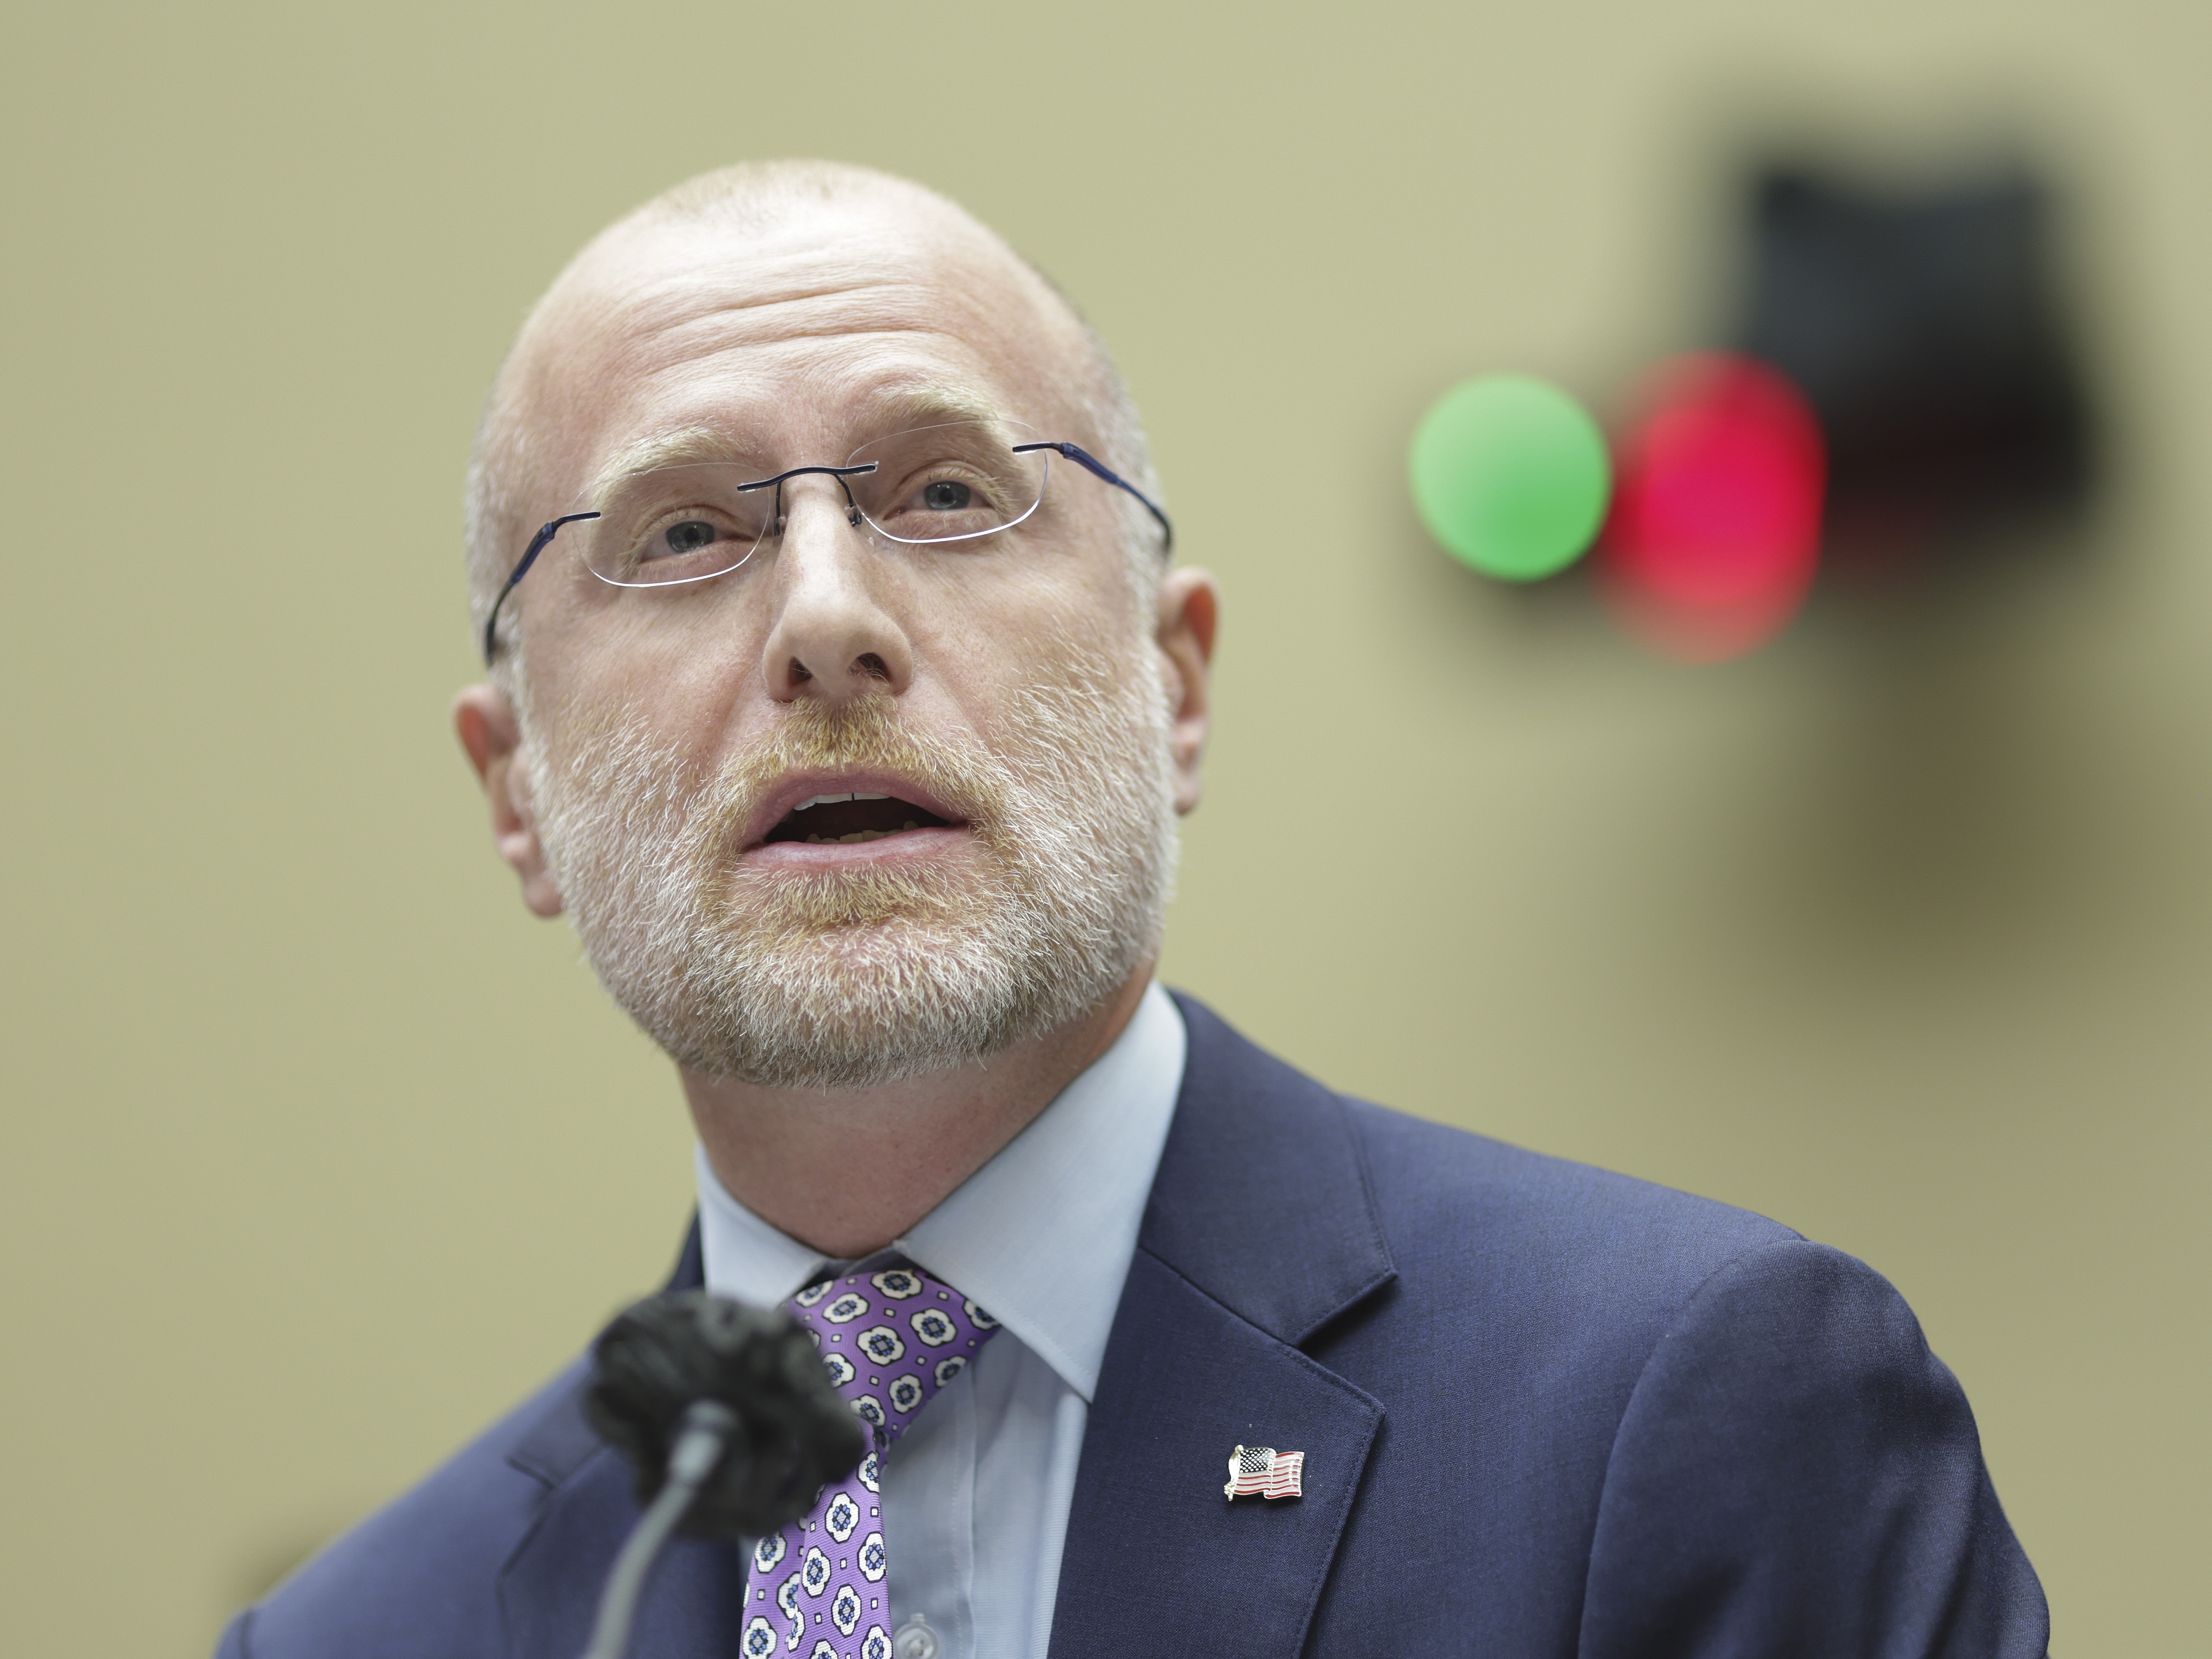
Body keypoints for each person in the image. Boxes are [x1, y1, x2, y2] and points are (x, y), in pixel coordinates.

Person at [217, 161, 2048, 1659]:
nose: (823, 617)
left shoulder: (1684, 1406)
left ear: (1174, 686)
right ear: (514, 789)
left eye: (943, 491)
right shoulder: (370, 1634)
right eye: (684, 534)